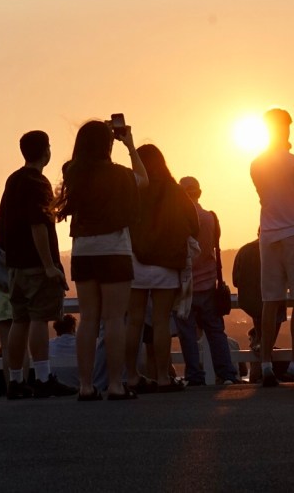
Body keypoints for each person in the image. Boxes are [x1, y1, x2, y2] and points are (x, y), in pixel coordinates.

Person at [54, 120, 146, 401]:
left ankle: (85, 385)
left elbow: (75, 164)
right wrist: (129, 144)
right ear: (108, 145)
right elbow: (143, 180)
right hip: (114, 248)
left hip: (83, 249)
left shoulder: (73, 172)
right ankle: (116, 385)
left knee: (88, 318)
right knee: (115, 318)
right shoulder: (119, 174)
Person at [0, 130, 77, 399]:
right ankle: (42, 378)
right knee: (40, 318)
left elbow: (0, 225)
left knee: (20, 320)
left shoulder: (14, 180)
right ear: (45, 151)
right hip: (36, 265)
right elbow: (39, 225)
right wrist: (49, 265)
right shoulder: (37, 182)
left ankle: (16, 381)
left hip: (15, 266)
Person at [250, 108, 294, 387]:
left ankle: (266, 364)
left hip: (268, 236)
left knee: (271, 301)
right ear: (287, 128)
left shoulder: (257, 164)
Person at [126, 144, 198, 393]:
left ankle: (132, 376)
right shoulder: (175, 190)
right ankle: (163, 377)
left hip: (135, 261)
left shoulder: (134, 188)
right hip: (166, 265)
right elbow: (193, 222)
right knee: (160, 322)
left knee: (133, 321)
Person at [175, 176, 239, 386]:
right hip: (209, 282)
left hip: (185, 285)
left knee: (187, 334)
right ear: (199, 192)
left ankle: (195, 375)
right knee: (215, 331)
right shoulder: (211, 217)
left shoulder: (180, 218)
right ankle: (227, 374)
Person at [231, 236, 287, 383]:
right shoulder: (278, 249)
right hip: (273, 302)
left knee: (261, 337)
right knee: (267, 340)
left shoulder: (244, 250)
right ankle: (262, 370)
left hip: (250, 303)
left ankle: (258, 370)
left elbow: (235, 281)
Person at [48, 314, 79, 389]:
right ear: (73, 327)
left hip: (55, 388)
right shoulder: (81, 344)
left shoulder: (49, 344)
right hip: (78, 386)